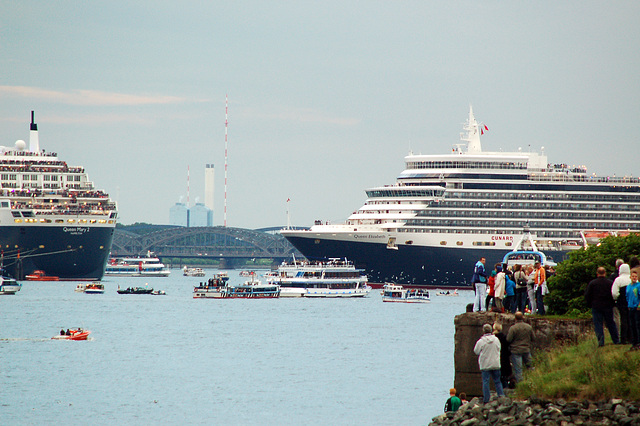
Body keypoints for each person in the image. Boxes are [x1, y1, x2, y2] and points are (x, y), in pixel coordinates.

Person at [585, 267, 620, 346]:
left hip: (596, 306)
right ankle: (616, 340)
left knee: (598, 324)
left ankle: (601, 342)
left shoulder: (593, 283)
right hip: (608, 306)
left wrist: (590, 304)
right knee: (611, 323)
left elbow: (587, 295)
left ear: (597, 274)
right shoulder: (610, 283)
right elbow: (613, 293)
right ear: (605, 273)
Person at [473, 323, 505, 403]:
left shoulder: (481, 341)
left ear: (483, 331)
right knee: (497, 381)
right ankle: (501, 396)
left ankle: (486, 399)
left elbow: (476, 351)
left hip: (485, 364)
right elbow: (499, 348)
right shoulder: (496, 340)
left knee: (485, 382)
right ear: (491, 330)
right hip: (495, 363)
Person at [506, 311, 535, 384]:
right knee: (530, 367)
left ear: (515, 318)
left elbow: (508, 339)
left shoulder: (513, 328)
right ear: (523, 317)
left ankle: (520, 386)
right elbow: (533, 338)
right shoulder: (528, 327)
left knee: (518, 370)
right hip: (526, 349)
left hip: (516, 351)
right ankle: (532, 383)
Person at [612, 263, 631, 344]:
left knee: (623, 319)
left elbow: (614, 293)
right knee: (631, 319)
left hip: (621, 302)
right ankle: (631, 337)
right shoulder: (631, 279)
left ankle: (623, 338)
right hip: (631, 301)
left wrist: (616, 299)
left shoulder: (618, 280)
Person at [493, 322, 512, 389]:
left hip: (495, 359)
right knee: (504, 377)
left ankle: (499, 392)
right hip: (504, 359)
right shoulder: (504, 338)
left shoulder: (493, 338)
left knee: (497, 378)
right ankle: (505, 391)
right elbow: (508, 349)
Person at [626, 271, 640, 350]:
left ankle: (638, 342)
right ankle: (634, 342)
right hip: (630, 307)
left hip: (637, 307)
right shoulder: (628, 287)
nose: (634, 278)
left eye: (636, 276)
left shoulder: (638, 286)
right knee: (632, 325)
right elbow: (627, 296)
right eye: (633, 276)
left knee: (637, 324)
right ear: (630, 277)